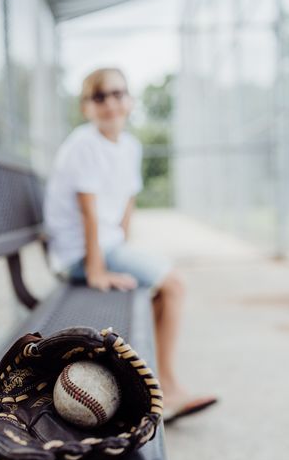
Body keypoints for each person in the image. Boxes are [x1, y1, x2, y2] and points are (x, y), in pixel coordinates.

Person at [44, 67, 217, 422]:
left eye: (118, 93)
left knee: (157, 293)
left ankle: (139, 384)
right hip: (79, 255)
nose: (110, 102)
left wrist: (125, 251)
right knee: (175, 285)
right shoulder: (84, 144)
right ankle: (167, 389)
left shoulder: (130, 146)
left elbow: (126, 206)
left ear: (130, 100)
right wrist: (97, 271)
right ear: (86, 108)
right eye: (100, 96)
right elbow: (89, 213)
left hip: (107, 247)